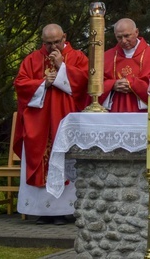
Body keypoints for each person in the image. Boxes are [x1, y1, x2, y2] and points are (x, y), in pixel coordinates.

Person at [13, 24, 89, 224]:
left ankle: (64, 211)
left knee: (65, 159)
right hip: (38, 122)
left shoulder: (78, 57)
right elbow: (20, 84)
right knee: (39, 158)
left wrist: (63, 67)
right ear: (42, 41)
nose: (53, 46)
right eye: (48, 43)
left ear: (64, 37)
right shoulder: (31, 60)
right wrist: (43, 83)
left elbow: (85, 83)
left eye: (57, 41)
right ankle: (42, 211)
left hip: (65, 120)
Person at [101, 18, 150, 112]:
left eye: (127, 36)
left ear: (136, 32)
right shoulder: (107, 56)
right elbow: (96, 83)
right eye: (119, 37)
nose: (124, 41)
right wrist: (112, 85)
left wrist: (133, 84)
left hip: (144, 112)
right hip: (114, 110)